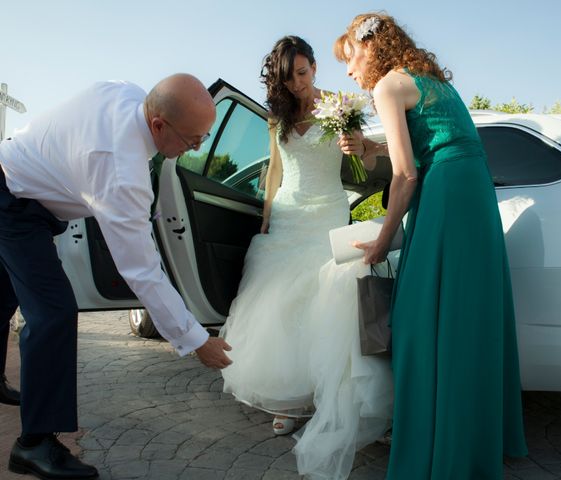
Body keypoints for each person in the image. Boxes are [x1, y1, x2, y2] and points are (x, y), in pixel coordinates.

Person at [0, 73, 233, 480]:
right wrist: (196, 339)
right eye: (193, 139)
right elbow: (143, 271)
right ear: (159, 125)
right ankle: (34, 444)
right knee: (52, 313)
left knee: (4, 294)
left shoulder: (127, 93)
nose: (196, 147)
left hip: (15, 176)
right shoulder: (121, 171)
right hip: (15, 205)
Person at [335, 13, 528, 479]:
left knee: (421, 319)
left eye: (350, 57)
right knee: (465, 318)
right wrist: (371, 149)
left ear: (371, 50)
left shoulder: (387, 86)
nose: (348, 70)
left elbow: (407, 174)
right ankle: (472, 440)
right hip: (470, 190)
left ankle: (437, 450)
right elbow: (433, 141)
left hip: (446, 195)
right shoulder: (429, 81)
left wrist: (382, 240)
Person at [220, 36, 393, 480]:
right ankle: (288, 398)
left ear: (314, 67)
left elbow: (358, 158)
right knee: (280, 302)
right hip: (289, 213)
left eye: (302, 73)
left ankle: (326, 395)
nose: (297, 83)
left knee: (325, 302)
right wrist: (265, 215)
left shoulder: (340, 105)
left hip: (327, 212)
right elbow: (275, 168)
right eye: (288, 77)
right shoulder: (277, 114)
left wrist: (355, 145)